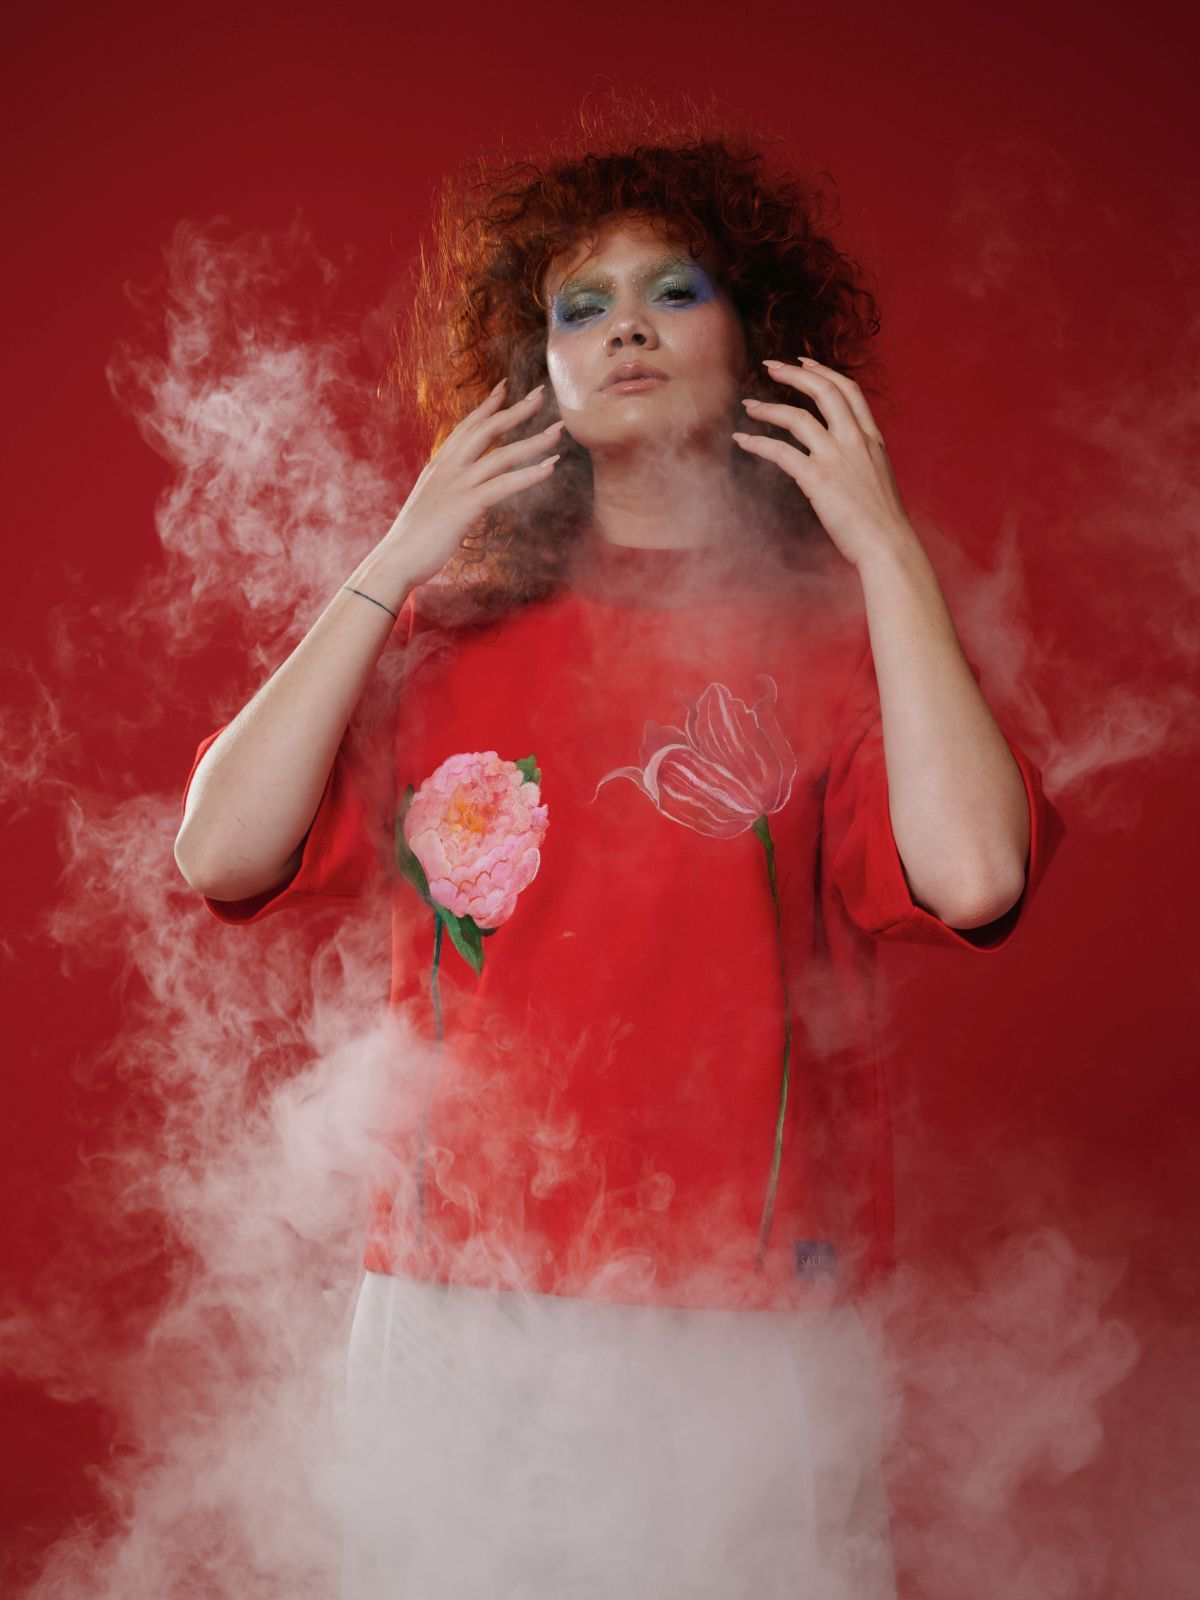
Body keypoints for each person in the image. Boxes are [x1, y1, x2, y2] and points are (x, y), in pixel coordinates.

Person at [175, 108, 1065, 1600]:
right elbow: (218, 851)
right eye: (579, 306)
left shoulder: (851, 642)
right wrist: (396, 558)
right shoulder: (444, 640)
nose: (625, 329)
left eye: (674, 290)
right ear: (535, 372)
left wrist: (886, 549)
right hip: (459, 1304)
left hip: (752, 1313)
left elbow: (977, 874)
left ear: (759, 337)